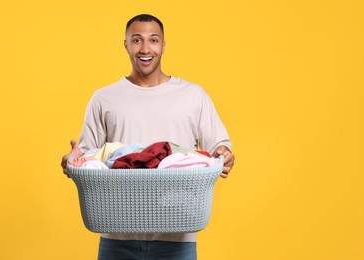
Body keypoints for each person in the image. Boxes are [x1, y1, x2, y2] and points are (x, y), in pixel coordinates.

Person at [61, 14, 235, 260]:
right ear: (126, 45)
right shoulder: (103, 98)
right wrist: (73, 160)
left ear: (163, 45)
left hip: (177, 236)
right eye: (136, 40)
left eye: (153, 40)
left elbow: (219, 148)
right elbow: (89, 158)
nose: (145, 48)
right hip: (117, 236)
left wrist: (225, 155)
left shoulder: (193, 95)